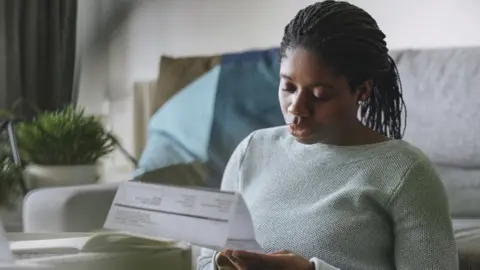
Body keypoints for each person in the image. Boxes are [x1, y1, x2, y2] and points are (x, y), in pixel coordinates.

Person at [197, 1, 458, 269]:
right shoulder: (251, 150)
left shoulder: (407, 173)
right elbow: (204, 261)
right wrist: (224, 264)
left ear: (362, 91)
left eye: (319, 95)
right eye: (288, 87)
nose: (296, 108)